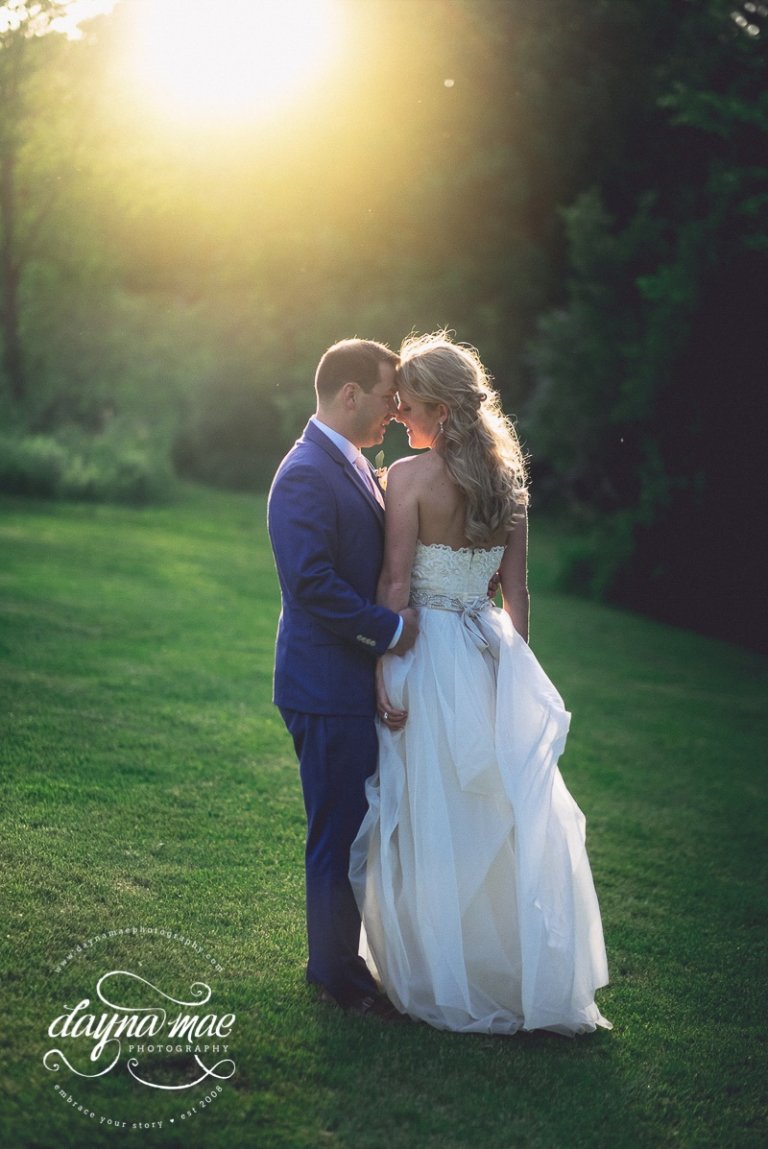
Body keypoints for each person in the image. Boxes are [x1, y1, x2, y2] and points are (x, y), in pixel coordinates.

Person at [349, 331, 612, 1035]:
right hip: (488, 651)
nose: (399, 415)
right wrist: (511, 677)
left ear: (437, 406)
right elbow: (517, 597)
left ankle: (437, 972)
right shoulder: (508, 483)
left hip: (425, 650)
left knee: (426, 812)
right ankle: (490, 966)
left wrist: (382, 661)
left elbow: (395, 581)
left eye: (406, 406)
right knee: (490, 818)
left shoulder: (407, 478)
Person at [267, 338, 419, 1021]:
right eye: (388, 395)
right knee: (337, 831)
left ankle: (343, 963)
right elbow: (312, 586)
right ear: (349, 393)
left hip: (343, 683)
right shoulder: (305, 472)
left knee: (353, 826)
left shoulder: (351, 461)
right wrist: (386, 630)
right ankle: (334, 974)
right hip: (323, 686)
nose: (395, 408)